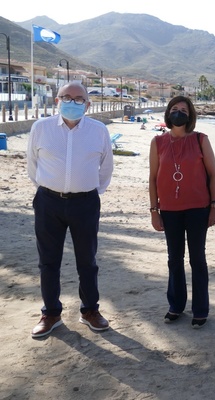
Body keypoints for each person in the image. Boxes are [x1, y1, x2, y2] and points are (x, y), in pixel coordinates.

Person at [26, 82, 114, 338]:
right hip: (48, 202)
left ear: (88, 104)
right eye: (67, 97)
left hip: (85, 203)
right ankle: (51, 313)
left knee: (87, 261)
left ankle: (89, 311)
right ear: (57, 100)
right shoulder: (40, 128)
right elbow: (33, 165)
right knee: (48, 261)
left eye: (79, 99)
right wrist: (50, 188)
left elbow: (106, 168)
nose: (72, 102)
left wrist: (89, 192)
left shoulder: (98, 131)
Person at [149, 96, 215, 328]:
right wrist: (154, 210)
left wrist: (214, 205)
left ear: (190, 116)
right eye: (174, 109)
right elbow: (152, 178)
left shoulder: (200, 140)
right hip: (169, 210)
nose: (178, 112)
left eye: (183, 110)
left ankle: (201, 309)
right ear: (168, 113)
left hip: (198, 209)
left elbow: (213, 175)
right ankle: (176, 306)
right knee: (174, 259)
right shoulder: (157, 142)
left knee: (197, 259)